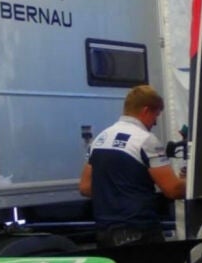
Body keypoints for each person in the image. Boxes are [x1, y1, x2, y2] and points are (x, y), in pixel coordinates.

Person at [79, 84, 185, 246]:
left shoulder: (100, 139)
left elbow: (85, 188)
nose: (155, 123)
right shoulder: (145, 140)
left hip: (105, 232)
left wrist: (115, 193)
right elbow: (172, 190)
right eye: (155, 115)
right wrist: (189, 180)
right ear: (145, 111)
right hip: (139, 230)